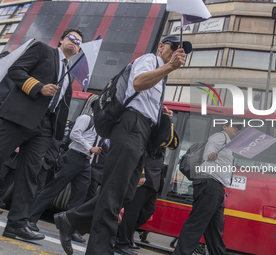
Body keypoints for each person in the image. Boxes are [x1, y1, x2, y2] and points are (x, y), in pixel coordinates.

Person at [53, 34, 191, 255]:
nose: (177, 51)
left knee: (126, 192)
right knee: (114, 192)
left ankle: (71, 219)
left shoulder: (161, 76)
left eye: (181, 50)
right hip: (130, 124)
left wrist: (160, 113)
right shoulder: (149, 60)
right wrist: (169, 68)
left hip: (142, 132)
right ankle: (99, 249)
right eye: (174, 47)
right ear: (162, 47)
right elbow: (137, 83)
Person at [0, 27, 83, 241]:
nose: (75, 43)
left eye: (79, 43)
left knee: (30, 175)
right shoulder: (42, 50)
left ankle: (17, 224)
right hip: (19, 117)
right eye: (72, 39)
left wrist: (56, 132)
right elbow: (16, 71)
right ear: (62, 39)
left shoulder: (68, 71)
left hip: (45, 127)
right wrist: (38, 87)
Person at [28, 111, 101, 243]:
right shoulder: (86, 118)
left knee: (79, 196)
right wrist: (90, 147)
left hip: (86, 162)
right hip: (74, 157)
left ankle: (70, 229)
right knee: (53, 189)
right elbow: (74, 135)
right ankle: (30, 219)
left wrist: (90, 156)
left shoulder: (102, 126)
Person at [173, 121, 242, 255]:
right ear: (224, 127)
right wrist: (210, 156)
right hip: (209, 183)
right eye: (234, 126)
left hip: (217, 188)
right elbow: (210, 149)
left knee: (215, 229)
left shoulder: (229, 145)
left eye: (238, 128)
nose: (236, 129)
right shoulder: (219, 137)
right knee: (196, 224)